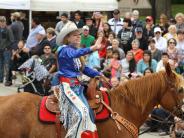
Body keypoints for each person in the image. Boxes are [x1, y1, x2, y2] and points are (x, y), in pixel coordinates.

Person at [56, 22, 104, 138]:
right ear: (67, 38)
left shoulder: (74, 52)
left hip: (78, 88)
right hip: (67, 87)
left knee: (89, 113)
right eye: (74, 35)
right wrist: (93, 47)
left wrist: (99, 74)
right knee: (81, 114)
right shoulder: (63, 50)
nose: (78, 36)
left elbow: (84, 68)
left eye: (79, 35)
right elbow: (77, 52)